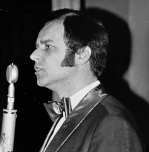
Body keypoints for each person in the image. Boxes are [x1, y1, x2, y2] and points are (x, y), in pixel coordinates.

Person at [30, 8, 144, 152]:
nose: (33, 55)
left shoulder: (112, 123)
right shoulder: (69, 115)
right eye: (36, 47)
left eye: (48, 46)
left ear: (82, 55)